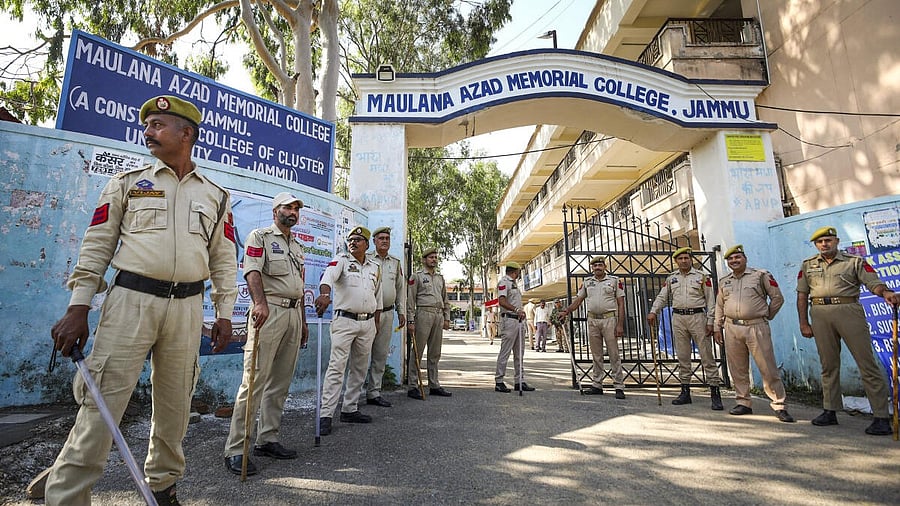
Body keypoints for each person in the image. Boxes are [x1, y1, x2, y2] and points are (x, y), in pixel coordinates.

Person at [45, 95, 238, 506]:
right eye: (146, 124)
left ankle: (163, 486)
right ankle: (67, 496)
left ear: (186, 134)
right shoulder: (127, 183)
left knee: (175, 406)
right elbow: (96, 246)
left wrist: (223, 313)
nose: (147, 131)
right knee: (102, 404)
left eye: (157, 124)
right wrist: (78, 307)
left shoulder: (216, 196)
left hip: (187, 308)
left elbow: (223, 258)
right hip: (131, 301)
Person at [223, 192, 309, 476]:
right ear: (276, 211)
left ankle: (267, 438)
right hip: (268, 311)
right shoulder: (259, 237)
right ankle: (237, 449)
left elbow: (299, 285)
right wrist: (259, 303)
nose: (293, 212)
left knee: (280, 383)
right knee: (254, 381)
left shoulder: (297, 246)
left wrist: (304, 321)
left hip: (294, 314)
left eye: (296, 208)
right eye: (288, 207)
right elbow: (252, 271)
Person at [797, 226, 898, 435]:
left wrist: (885, 292)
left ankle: (880, 416)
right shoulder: (808, 265)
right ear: (816, 245)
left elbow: (873, 283)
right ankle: (830, 410)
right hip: (819, 312)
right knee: (828, 364)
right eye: (820, 242)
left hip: (849, 311)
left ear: (836, 241)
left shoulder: (854, 262)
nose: (824, 244)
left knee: (866, 363)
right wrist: (804, 323)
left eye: (828, 240)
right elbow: (801, 295)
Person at [712, 245, 794, 423]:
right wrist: (717, 327)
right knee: (738, 368)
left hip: (756, 327)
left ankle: (779, 404)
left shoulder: (760, 275)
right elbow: (719, 306)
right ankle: (743, 402)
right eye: (730, 259)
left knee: (767, 367)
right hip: (732, 328)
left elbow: (777, 298)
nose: (734, 261)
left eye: (737, 257)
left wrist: (767, 315)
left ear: (745, 258)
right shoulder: (724, 281)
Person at [314, 226, 382, 435]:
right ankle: (326, 415)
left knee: (360, 368)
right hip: (344, 321)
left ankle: (350, 408)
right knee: (336, 367)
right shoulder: (342, 260)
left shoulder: (375, 267)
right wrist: (325, 295)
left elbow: (377, 296)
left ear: (367, 244)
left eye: (358, 240)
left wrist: (376, 323)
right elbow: (327, 277)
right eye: (350, 240)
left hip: (367, 323)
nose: (353, 243)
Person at [647, 247, 723, 410]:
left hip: (698, 317)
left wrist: (710, 321)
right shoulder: (671, 279)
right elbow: (662, 296)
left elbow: (711, 301)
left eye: (686, 258)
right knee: (682, 356)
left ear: (691, 259)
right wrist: (654, 310)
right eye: (680, 258)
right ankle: (685, 391)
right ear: (676, 261)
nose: (683, 261)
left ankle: (715, 393)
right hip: (679, 318)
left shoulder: (702, 277)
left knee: (706, 355)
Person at [562, 257, 627, 399]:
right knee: (596, 355)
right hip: (592, 320)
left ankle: (619, 386)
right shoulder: (587, 282)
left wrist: (620, 324)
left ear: (604, 266)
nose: (597, 267)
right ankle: (597, 384)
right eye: (595, 265)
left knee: (613, 354)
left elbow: (621, 303)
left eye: (600, 265)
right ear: (592, 268)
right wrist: (566, 311)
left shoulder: (614, 281)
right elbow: (578, 301)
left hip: (609, 319)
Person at [365, 226, 407, 407]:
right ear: (374, 241)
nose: (384, 241)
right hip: (366, 314)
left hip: (388, 313)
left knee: (380, 354)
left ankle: (374, 392)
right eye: (380, 238)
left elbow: (400, 289)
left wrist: (402, 311)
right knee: (361, 354)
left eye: (387, 238)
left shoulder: (395, 263)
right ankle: (355, 392)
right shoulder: (365, 260)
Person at [407, 247, 452, 398]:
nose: (434, 259)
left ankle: (434, 384)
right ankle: (413, 385)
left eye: (435, 257)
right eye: (431, 257)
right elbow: (411, 300)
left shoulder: (440, 278)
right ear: (424, 260)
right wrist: (410, 320)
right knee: (418, 351)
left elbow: (445, 299)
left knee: (435, 352)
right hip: (423, 314)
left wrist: (446, 317)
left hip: (438, 315)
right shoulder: (417, 276)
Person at [494, 262, 535, 392]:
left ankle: (520, 380)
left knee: (519, 353)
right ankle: (499, 381)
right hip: (510, 320)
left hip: (519, 320)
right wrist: (516, 309)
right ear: (515, 271)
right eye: (518, 271)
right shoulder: (503, 283)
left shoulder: (514, 284)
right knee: (505, 351)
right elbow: (502, 301)